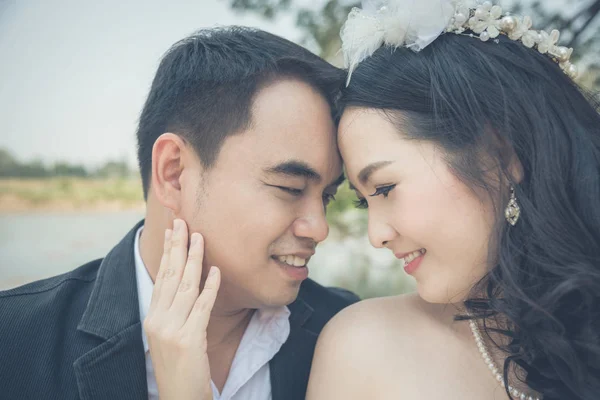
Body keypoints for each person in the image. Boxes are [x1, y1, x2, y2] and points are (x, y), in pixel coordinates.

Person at [149, 1, 600, 399]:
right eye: (366, 201)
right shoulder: (364, 342)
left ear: (501, 156)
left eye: (384, 189)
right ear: (173, 173)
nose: (375, 236)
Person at [0, 27, 358, 400]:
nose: (319, 228)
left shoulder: (352, 332)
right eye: (291, 188)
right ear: (174, 173)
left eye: (327, 196)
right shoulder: (12, 342)